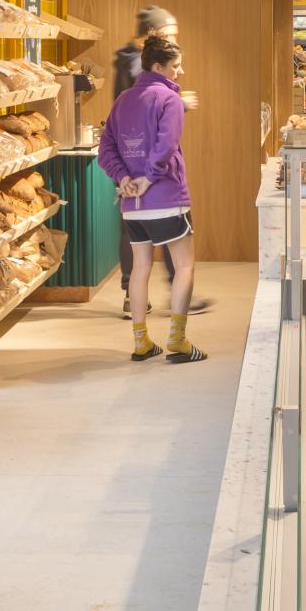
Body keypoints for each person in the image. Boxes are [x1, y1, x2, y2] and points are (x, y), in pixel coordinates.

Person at [99, 35, 207, 365]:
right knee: (185, 265)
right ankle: (178, 338)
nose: (181, 71)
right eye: (176, 66)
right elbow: (167, 144)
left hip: (133, 206)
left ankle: (141, 342)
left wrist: (125, 178)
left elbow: (107, 150)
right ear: (158, 67)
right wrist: (148, 175)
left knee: (141, 269)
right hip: (167, 197)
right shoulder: (169, 100)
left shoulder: (123, 100)